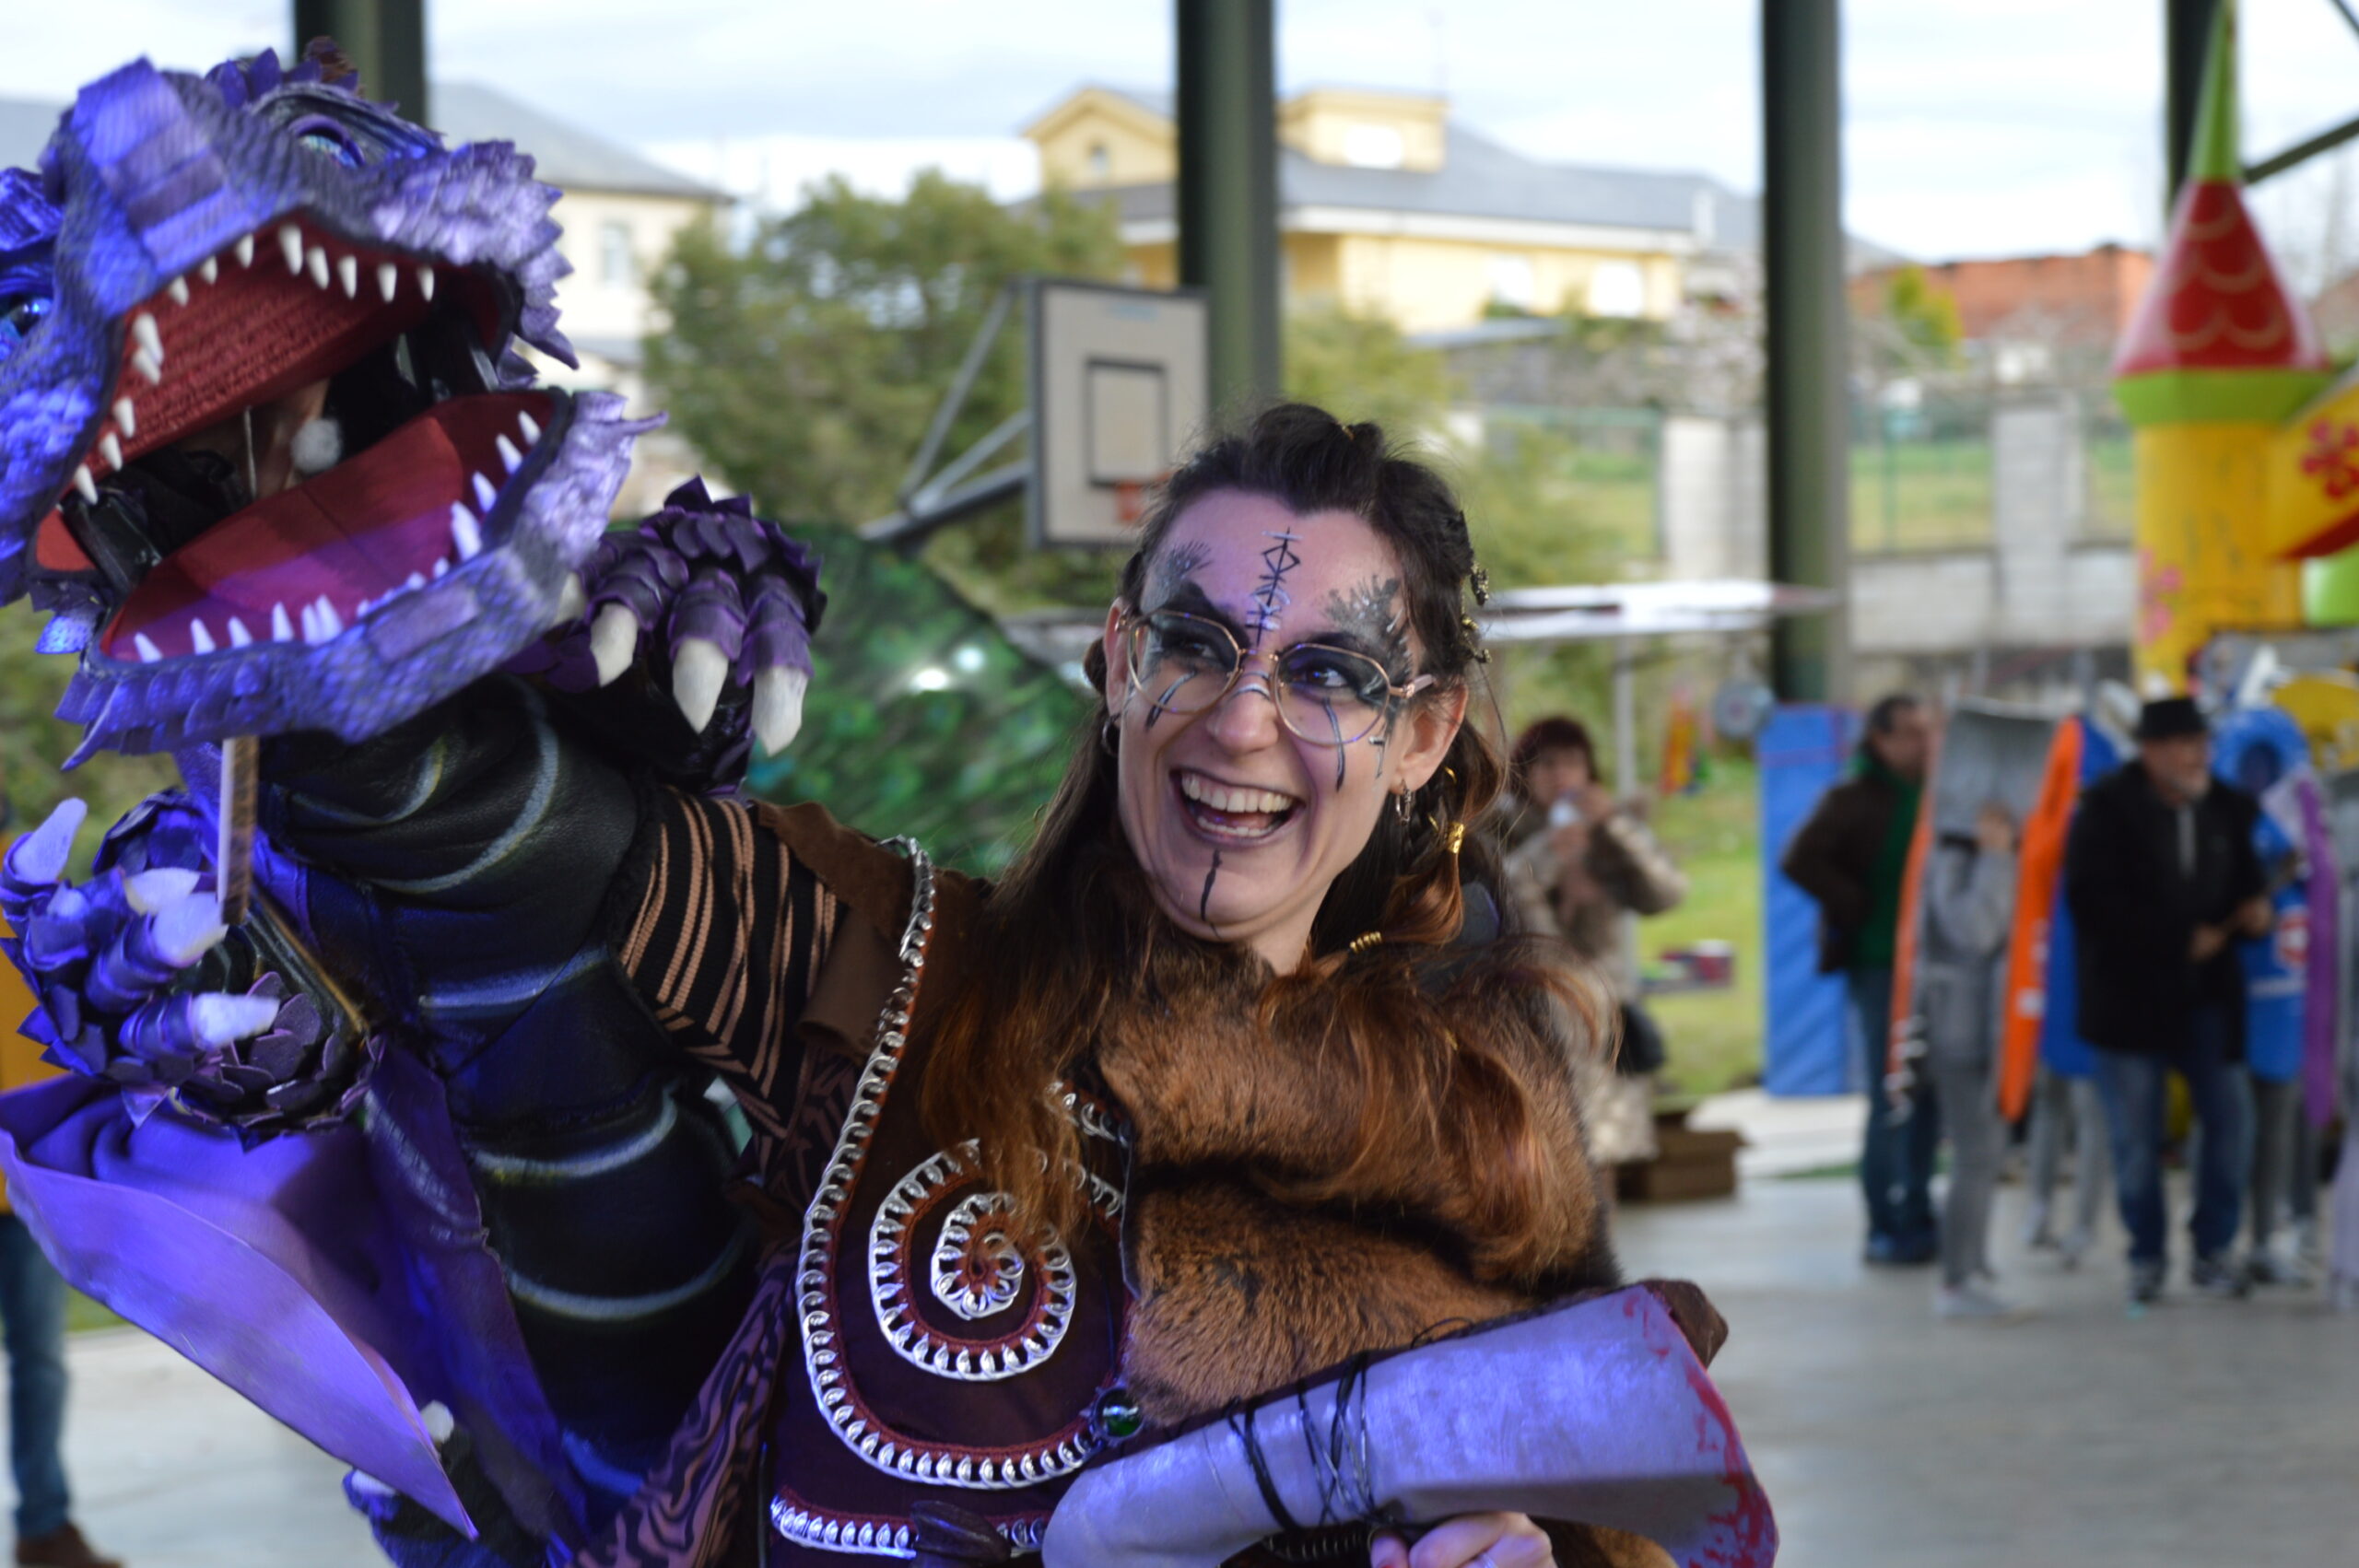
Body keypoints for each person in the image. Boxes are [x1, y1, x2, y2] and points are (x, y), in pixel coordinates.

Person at [7, 408, 1757, 1567]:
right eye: (1200, 646)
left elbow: (1657, 1508)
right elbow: (539, 844)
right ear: (1117, 655)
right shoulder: (905, 966)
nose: (1239, 723)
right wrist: (291, 576)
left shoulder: (1483, 1128)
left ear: (1429, 728)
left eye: (1331, 674)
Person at [2063, 696, 2271, 1306]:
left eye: (2202, 743)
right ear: (2151, 753)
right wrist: (2177, 941)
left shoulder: (2228, 809)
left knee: (2232, 1121)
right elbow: (2092, 905)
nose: (2197, 756)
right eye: (2184, 745)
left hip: (2208, 1001)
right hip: (2129, 1004)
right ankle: (2146, 1254)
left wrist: (2254, 911)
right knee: (2136, 1139)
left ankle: (2213, 1249)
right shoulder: (2104, 812)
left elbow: (2247, 884)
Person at [1781, 693, 1940, 1264]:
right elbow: (1799, 859)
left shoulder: (1938, 795)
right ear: (1881, 740)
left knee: (1928, 1091)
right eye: (1911, 734)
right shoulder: (1852, 798)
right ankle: (1884, 1219)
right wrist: (1856, 905)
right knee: (1889, 1090)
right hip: (1877, 964)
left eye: (1928, 732)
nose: (1923, 744)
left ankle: (1919, 1206)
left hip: (1933, 966)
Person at [0, 838, 120, 1568]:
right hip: (31, 1171)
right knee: (41, 1362)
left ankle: (44, 1528)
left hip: (30, 1179)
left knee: (41, 1362)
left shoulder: (34, 890)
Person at [1501, 718, 1687, 1169]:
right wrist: (1550, 849)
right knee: (1540, 1158)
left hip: (1603, 1014)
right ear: (1523, 773)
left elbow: (1667, 893)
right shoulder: (1500, 826)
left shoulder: (1607, 830)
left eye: (1572, 762)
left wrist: (1617, 826)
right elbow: (1503, 895)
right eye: (1545, 763)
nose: (1560, 775)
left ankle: (1603, 1239)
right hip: (1529, 1012)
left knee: (1602, 1155)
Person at [1918, 803, 2022, 1320]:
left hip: (1994, 1028)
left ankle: (1974, 1263)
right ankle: (1957, 1282)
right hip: (1960, 1030)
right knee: (1976, 1154)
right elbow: (1976, 929)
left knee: (1989, 1151)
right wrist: (1997, 859)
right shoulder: (1954, 851)